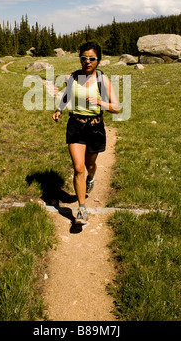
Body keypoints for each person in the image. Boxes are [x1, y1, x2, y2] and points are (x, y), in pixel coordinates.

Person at [52, 41, 120, 225]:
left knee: (90, 165)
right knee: (78, 167)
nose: (87, 61)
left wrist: (100, 103)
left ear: (98, 60)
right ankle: (81, 209)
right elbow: (67, 94)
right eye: (84, 58)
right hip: (75, 125)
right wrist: (60, 108)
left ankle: (92, 177)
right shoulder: (72, 77)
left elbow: (117, 108)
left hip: (95, 127)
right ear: (80, 58)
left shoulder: (102, 80)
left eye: (92, 58)